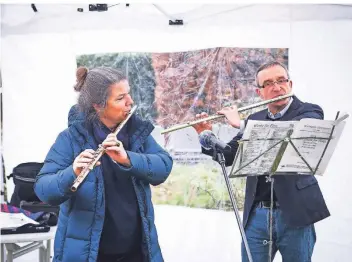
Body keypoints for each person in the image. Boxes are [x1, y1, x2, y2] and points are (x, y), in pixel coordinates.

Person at [193, 61, 329, 262]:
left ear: (290, 84)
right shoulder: (256, 117)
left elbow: (291, 130)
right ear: (259, 92)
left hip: (296, 213)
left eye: (281, 80)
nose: (277, 87)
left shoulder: (310, 111)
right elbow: (228, 155)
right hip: (257, 215)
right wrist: (206, 135)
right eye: (268, 83)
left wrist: (241, 124)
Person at [34, 66, 173, 262]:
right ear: (97, 105)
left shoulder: (137, 132)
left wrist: (128, 159)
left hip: (137, 253)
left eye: (129, 94)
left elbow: (164, 166)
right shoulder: (70, 138)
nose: (130, 102)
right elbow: (43, 189)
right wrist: (72, 172)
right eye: (120, 98)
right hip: (89, 255)